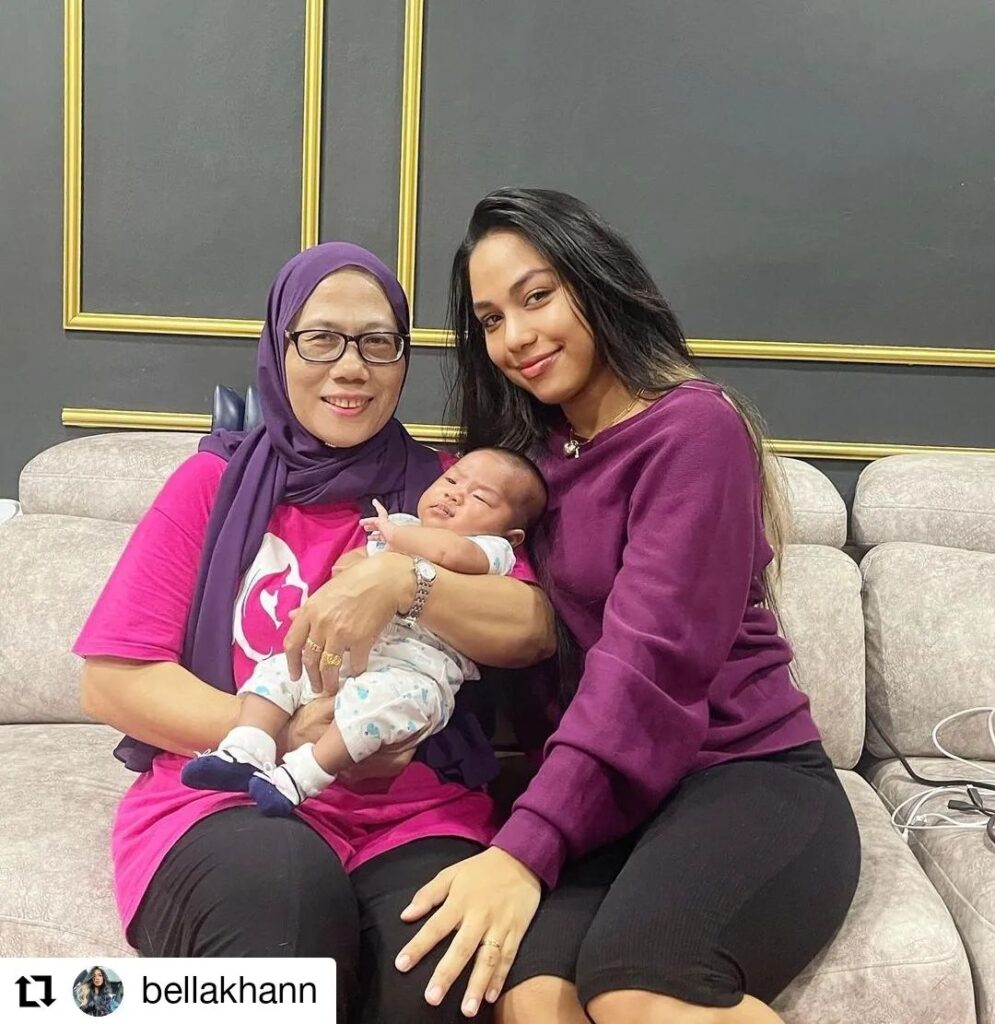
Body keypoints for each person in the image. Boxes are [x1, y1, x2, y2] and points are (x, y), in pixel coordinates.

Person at [390, 189, 862, 1024]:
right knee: (527, 999)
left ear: (595, 281)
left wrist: (523, 850)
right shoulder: (525, 464)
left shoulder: (693, 431)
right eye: (491, 319)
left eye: (537, 297)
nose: (516, 337)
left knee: (636, 987)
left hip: (741, 773)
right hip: (613, 798)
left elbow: (647, 667)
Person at [76, 242, 554, 1024]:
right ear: (279, 345)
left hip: (414, 816)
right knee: (285, 922)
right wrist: (288, 732)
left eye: (377, 342)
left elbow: (532, 627)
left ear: (402, 358)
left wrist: (403, 582)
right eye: (321, 339)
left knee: (433, 988)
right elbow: (112, 680)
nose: (351, 367)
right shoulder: (212, 484)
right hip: (232, 805)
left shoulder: (449, 495)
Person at [180, 447, 546, 815]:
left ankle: (304, 775)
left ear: (513, 535)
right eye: (451, 480)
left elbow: (448, 554)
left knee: (373, 709)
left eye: (480, 497)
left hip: (413, 675)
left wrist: (393, 541)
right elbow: (348, 569)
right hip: (356, 656)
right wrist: (357, 568)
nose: (455, 494)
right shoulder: (403, 525)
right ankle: (247, 745)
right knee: (281, 670)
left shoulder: (491, 549)